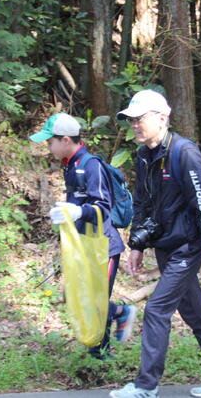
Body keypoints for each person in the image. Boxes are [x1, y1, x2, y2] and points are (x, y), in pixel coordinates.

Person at [108, 90, 201, 398]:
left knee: (156, 309)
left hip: (189, 246)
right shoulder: (145, 155)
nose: (135, 125)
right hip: (166, 244)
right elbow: (142, 202)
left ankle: (145, 386)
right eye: (131, 120)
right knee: (195, 313)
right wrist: (137, 245)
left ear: (162, 117)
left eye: (140, 119)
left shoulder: (185, 153)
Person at [30, 113, 137, 359]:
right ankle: (104, 342)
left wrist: (78, 211)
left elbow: (103, 207)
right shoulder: (70, 165)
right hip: (84, 244)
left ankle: (103, 351)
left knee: (97, 300)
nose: (48, 147)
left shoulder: (91, 165)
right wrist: (66, 213)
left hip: (104, 246)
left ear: (66, 140)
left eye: (50, 142)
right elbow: (79, 202)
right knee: (82, 297)